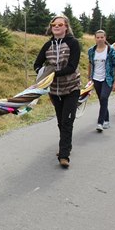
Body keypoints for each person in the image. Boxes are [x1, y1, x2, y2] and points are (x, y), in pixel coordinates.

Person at [34, 14, 81, 168]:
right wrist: (42, 73)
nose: (57, 27)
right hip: (54, 91)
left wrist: (52, 74)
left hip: (71, 88)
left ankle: (64, 155)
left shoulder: (73, 43)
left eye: (60, 25)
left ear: (66, 27)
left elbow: (71, 67)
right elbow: (37, 64)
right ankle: (64, 146)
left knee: (67, 121)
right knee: (61, 121)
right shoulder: (48, 45)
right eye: (54, 24)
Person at [87, 30, 115, 132]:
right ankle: (106, 119)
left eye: (102, 37)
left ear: (105, 38)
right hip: (96, 78)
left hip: (108, 79)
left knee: (104, 97)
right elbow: (90, 64)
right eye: (98, 37)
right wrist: (89, 78)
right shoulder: (91, 51)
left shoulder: (111, 51)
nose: (100, 39)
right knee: (102, 100)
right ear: (95, 38)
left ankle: (100, 122)